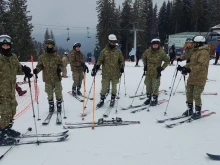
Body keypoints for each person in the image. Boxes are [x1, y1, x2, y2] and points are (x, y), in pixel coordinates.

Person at [0, 35, 32, 145]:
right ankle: (2, 135)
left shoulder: (13, 57)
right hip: (1, 91)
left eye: (7, 45)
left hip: (10, 90)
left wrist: (25, 70)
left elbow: (18, 68)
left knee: (13, 109)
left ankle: (8, 129)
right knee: (5, 112)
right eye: (3, 45)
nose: (5, 47)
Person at [177, 36, 210, 119]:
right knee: (189, 93)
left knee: (196, 94)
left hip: (200, 77)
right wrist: (183, 67)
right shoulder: (195, 51)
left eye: (194, 43)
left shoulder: (203, 52)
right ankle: (190, 109)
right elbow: (192, 63)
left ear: (198, 43)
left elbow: (201, 65)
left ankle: (198, 111)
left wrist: (189, 69)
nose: (193, 44)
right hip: (192, 76)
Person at [91, 34, 124, 108]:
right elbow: (99, 60)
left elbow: (121, 60)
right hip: (106, 73)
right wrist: (96, 67)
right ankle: (102, 100)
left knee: (114, 88)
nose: (114, 43)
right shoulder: (104, 51)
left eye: (115, 42)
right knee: (104, 88)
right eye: (112, 42)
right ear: (109, 42)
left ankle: (113, 99)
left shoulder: (118, 52)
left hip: (115, 73)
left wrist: (122, 67)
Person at [33, 39, 63, 113]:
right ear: (46, 46)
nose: (50, 47)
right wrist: (36, 70)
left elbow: (62, 65)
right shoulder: (42, 57)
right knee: (49, 93)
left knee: (58, 92)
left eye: (51, 45)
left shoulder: (57, 56)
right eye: (48, 45)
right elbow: (40, 66)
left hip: (57, 78)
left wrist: (60, 69)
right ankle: (51, 105)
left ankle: (59, 104)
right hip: (47, 78)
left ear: (53, 46)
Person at [142, 38, 169, 106]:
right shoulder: (148, 51)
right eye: (154, 45)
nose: (155, 46)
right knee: (148, 86)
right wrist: (145, 65)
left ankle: (154, 99)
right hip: (148, 72)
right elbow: (144, 58)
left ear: (158, 45)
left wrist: (162, 68)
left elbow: (167, 61)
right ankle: (148, 98)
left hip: (156, 72)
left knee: (155, 86)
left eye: (156, 45)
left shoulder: (161, 52)